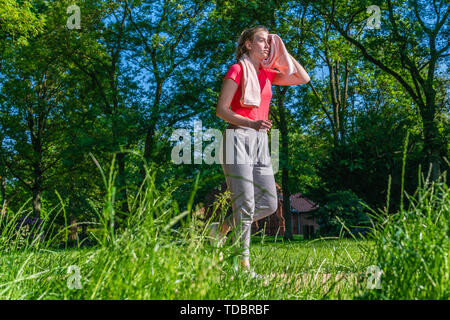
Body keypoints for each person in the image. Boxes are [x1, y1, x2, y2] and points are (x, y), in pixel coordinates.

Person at [213, 25, 310, 273]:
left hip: (260, 142)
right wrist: (251, 122)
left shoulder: (267, 74)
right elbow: (222, 110)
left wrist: (282, 50)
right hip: (237, 138)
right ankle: (242, 264)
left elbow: (302, 77)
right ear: (247, 44)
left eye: (269, 42)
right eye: (262, 41)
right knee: (245, 204)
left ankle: (221, 229)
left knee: (268, 203)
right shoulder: (237, 70)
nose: (266, 45)